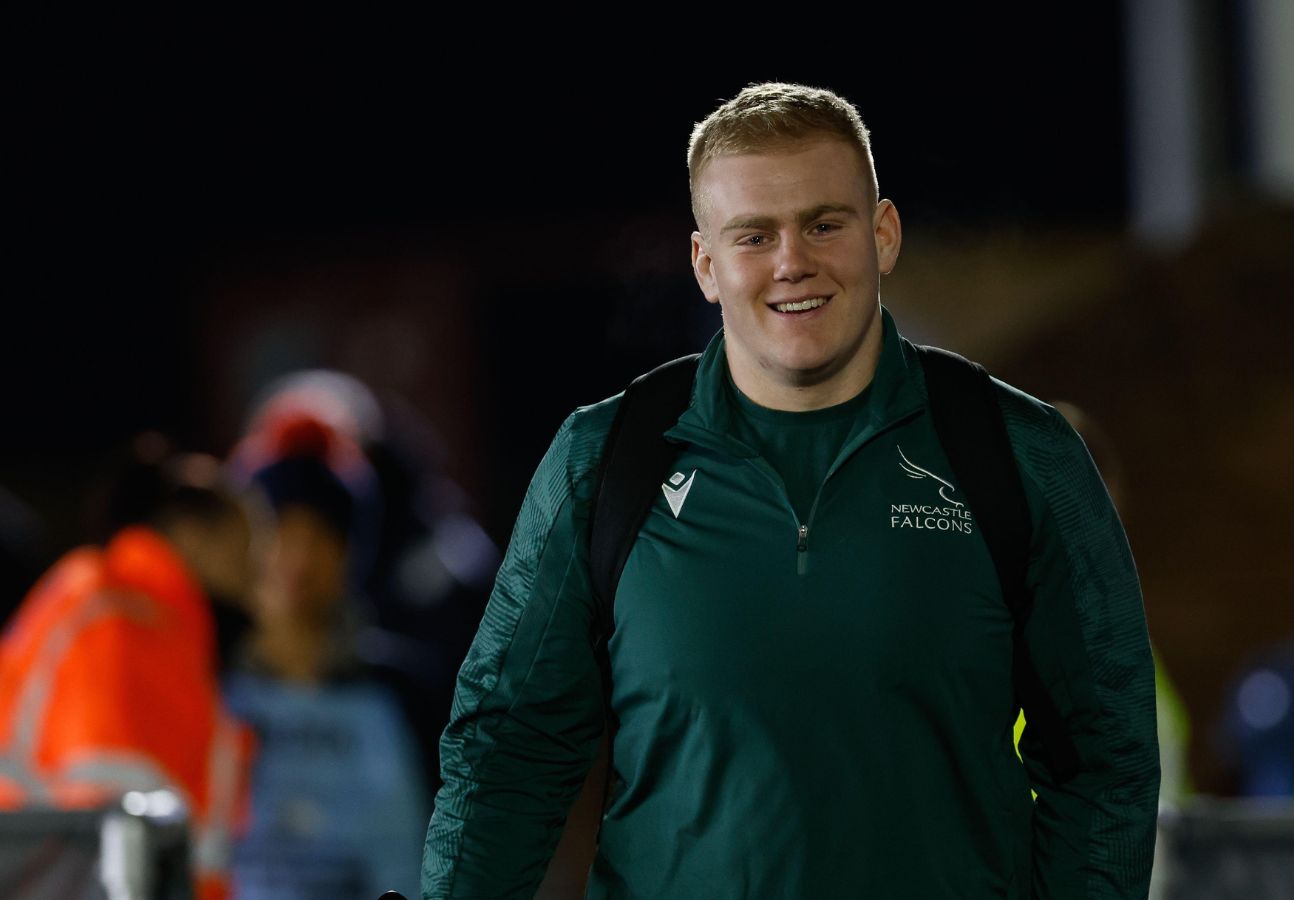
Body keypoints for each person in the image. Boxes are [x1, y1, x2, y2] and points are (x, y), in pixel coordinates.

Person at [423, 82, 1159, 898]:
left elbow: (1105, 760)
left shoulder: (1018, 455)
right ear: (706, 264)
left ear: (883, 235)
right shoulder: (605, 461)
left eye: (823, 224)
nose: (791, 263)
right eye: (753, 235)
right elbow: (508, 748)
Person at [0, 434, 255, 900]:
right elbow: (112, 834)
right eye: (244, 552)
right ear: (193, 537)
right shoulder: (127, 622)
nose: (252, 582)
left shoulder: (126, 611)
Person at [223, 412, 431, 900]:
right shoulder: (205, 686)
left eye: (321, 534)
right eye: (278, 530)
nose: (297, 556)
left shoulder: (406, 696)